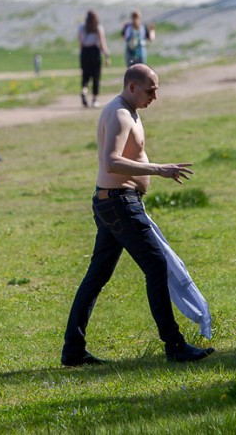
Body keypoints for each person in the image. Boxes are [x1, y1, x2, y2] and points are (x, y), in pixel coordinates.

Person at [61, 64, 215, 366]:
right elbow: (112, 162)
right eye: (150, 89)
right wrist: (160, 169)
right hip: (119, 204)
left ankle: (73, 349)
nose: (154, 96)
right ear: (132, 86)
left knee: (97, 276)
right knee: (156, 266)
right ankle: (174, 345)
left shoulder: (127, 111)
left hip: (113, 203)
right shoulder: (119, 114)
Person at [78, 10, 111, 108]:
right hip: (95, 52)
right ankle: (94, 99)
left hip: (84, 52)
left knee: (85, 75)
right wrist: (106, 56)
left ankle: (84, 91)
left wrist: (82, 54)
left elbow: (80, 42)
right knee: (96, 76)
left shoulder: (81, 28)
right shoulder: (98, 28)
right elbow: (102, 43)